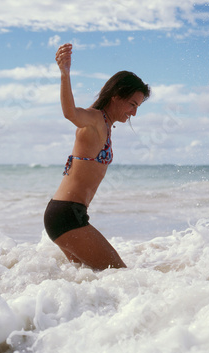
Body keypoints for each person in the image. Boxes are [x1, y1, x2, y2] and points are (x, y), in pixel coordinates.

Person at [44, 43, 150, 270]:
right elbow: (70, 112)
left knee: (88, 282)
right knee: (121, 274)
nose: (134, 112)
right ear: (116, 96)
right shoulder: (93, 120)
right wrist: (65, 73)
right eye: (132, 104)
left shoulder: (105, 124)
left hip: (69, 214)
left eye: (138, 106)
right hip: (66, 215)